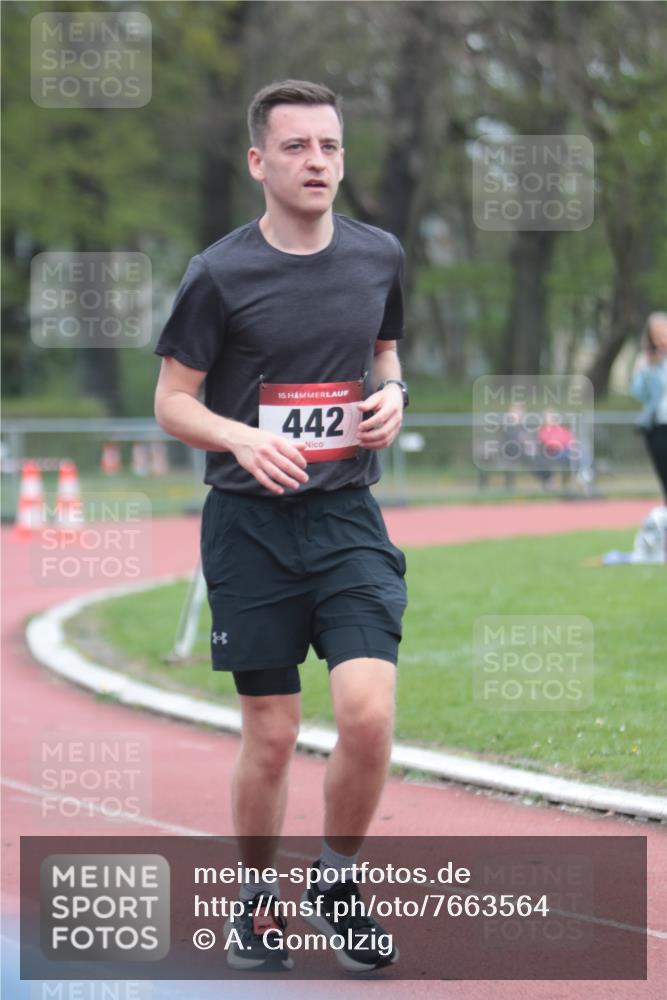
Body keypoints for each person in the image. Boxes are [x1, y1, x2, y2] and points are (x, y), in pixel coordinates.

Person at [154, 80, 408, 973]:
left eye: (329, 146)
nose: (316, 162)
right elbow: (172, 401)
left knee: (367, 715)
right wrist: (239, 436)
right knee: (271, 733)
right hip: (248, 530)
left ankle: (336, 882)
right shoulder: (218, 274)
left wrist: (395, 394)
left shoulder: (378, 255)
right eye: (296, 147)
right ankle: (257, 899)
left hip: (345, 519)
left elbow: (384, 352)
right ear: (258, 162)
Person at [630, 311, 667, 505]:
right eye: (657, 334)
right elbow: (638, 394)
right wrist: (647, 369)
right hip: (657, 425)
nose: (661, 338)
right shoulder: (645, 361)